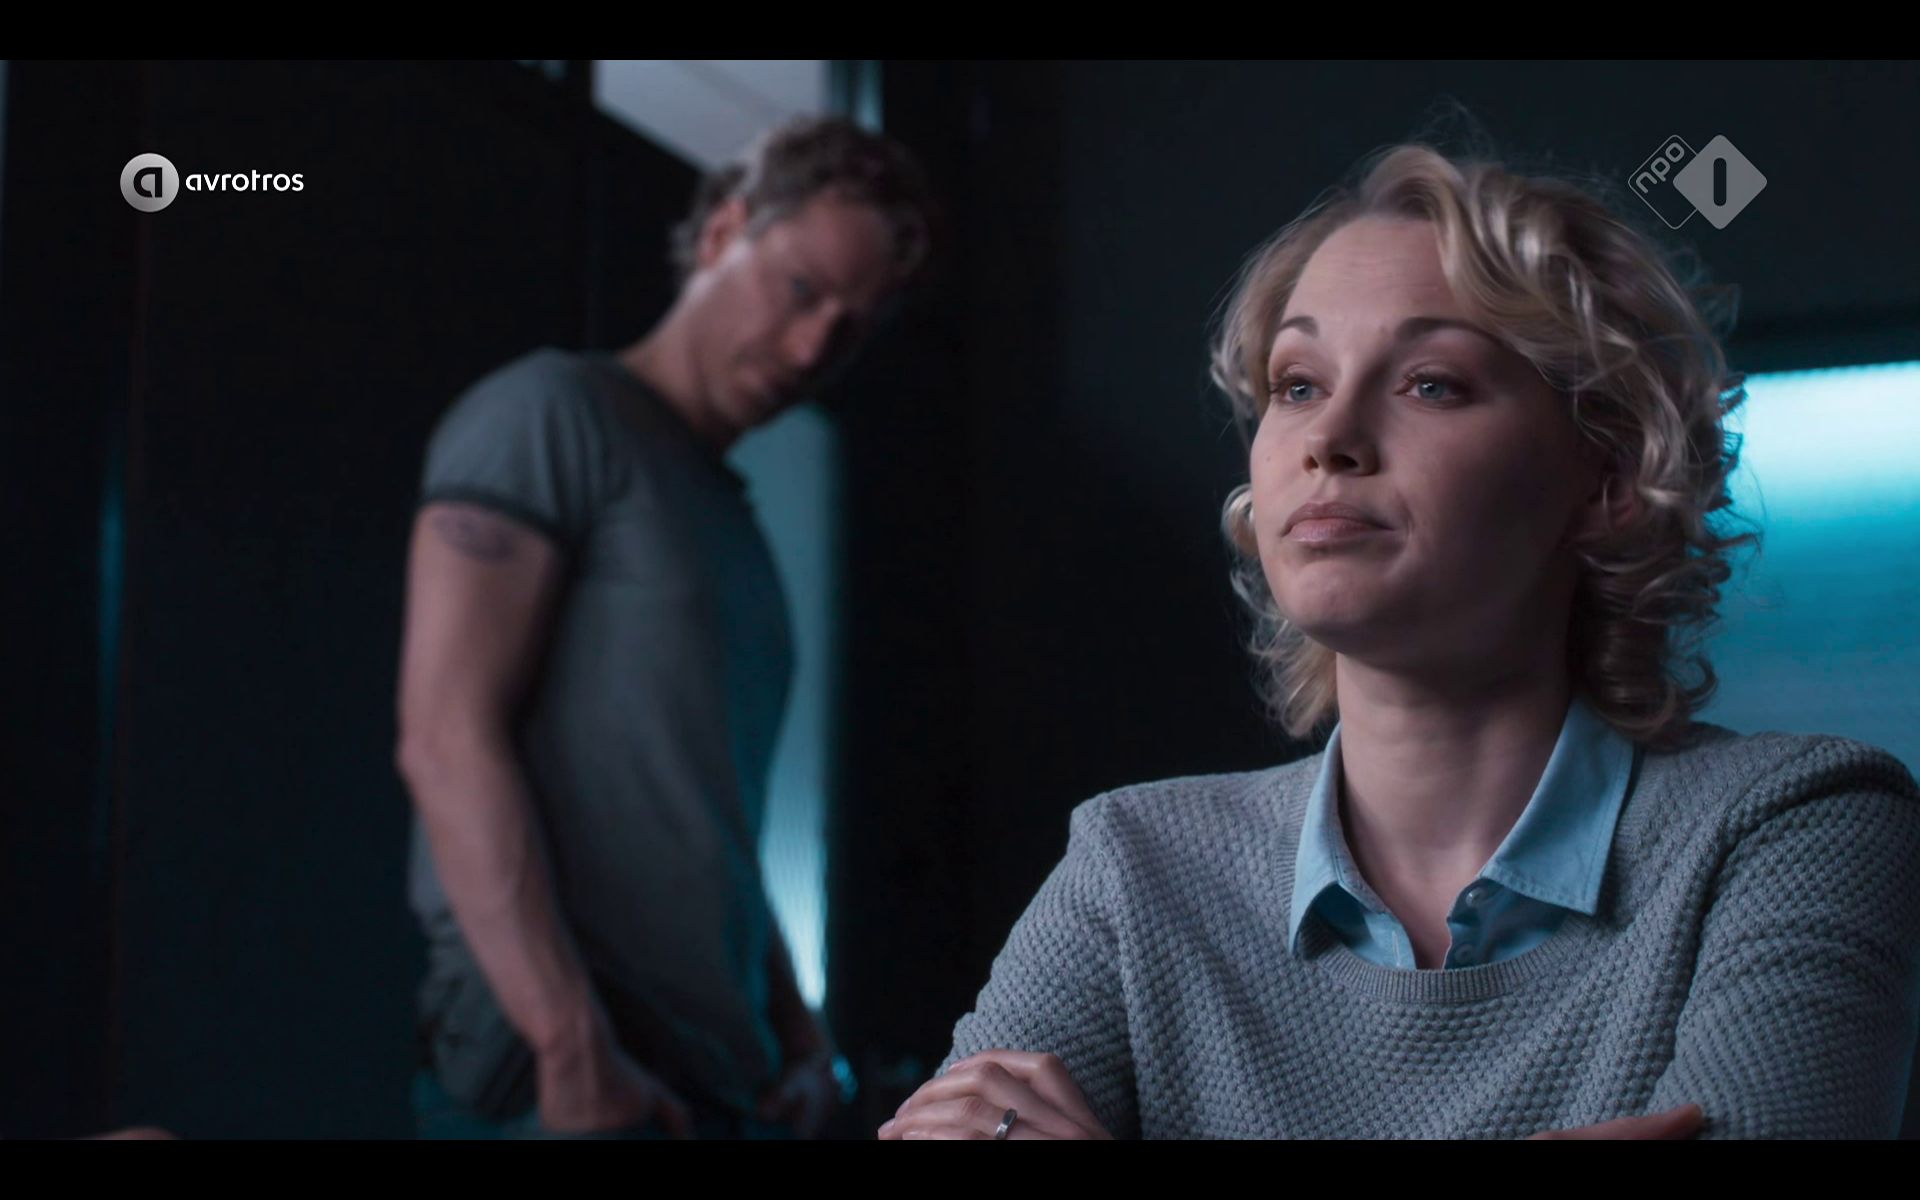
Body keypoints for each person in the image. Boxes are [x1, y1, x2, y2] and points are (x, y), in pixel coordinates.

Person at [880, 141, 1920, 1140]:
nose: (1329, 439)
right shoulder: (1134, 867)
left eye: (1432, 383)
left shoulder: (1796, 826)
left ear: (1607, 479)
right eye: (1298, 385)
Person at [397, 116, 938, 1139]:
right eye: (801, 290)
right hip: (563, 1080)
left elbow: (708, 824)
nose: (813, 348)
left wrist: (802, 1039)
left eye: (849, 327)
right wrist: (567, 1044)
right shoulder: (549, 413)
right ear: (724, 231)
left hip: (718, 1087)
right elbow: (443, 737)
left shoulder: (735, 527)